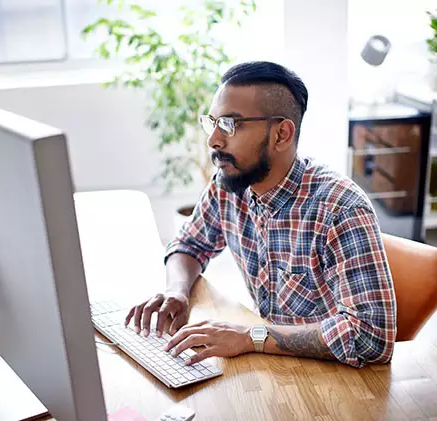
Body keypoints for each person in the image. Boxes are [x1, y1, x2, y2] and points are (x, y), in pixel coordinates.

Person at [125, 61, 396, 368]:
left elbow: (370, 337)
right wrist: (177, 291)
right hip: (274, 370)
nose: (213, 140)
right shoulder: (229, 185)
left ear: (281, 134)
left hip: (336, 382)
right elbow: (189, 245)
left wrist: (250, 336)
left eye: (229, 125)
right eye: (211, 123)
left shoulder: (340, 209)